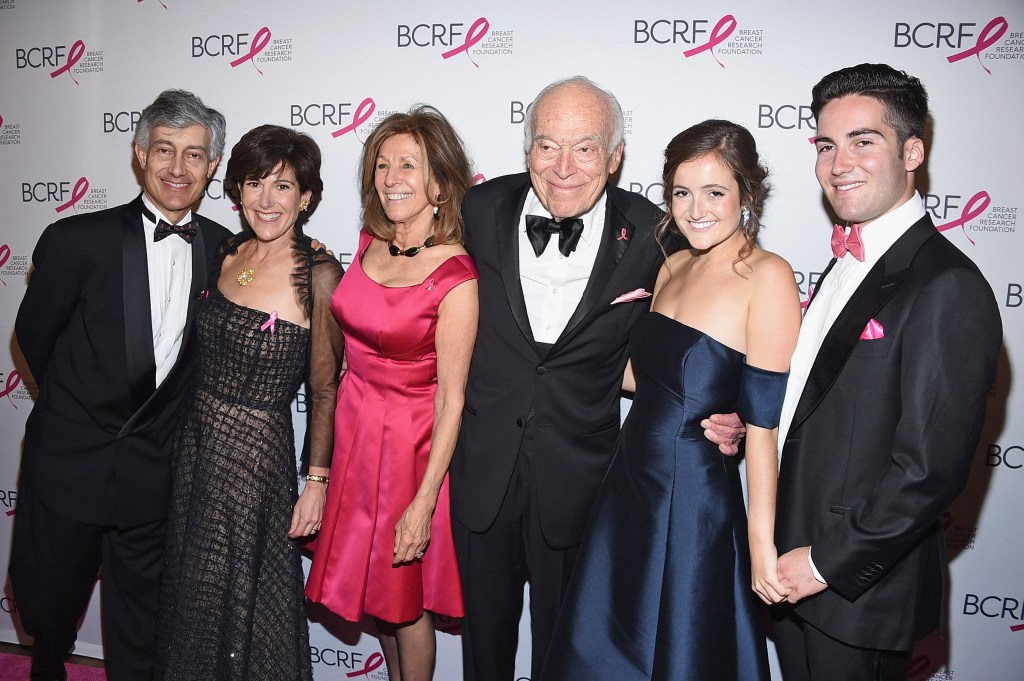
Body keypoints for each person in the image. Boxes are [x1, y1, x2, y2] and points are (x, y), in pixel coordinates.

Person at [450, 76, 745, 681]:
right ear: (527, 149)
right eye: (546, 145)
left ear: (614, 158)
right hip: (484, 468)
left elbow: (709, 320)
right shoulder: (480, 208)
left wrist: (729, 404)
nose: (562, 167)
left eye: (584, 148)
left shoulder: (657, 231)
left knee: (570, 651)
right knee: (483, 650)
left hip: (583, 476)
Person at [542, 120, 801, 680]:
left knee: (681, 645)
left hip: (694, 494)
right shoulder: (673, 264)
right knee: (608, 641)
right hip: (629, 478)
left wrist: (761, 543)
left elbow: (762, 426)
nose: (695, 209)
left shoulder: (769, 277)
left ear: (747, 194)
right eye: (681, 192)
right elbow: (642, 377)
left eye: (715, 192)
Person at [773, 63, 1002, 681]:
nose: (838, 162)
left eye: (862, 140)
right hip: (791, 572)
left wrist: (823, 565)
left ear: (913, 150)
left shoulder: (948, 286)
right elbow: (826, 404)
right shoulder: (848, 261)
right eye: (826, 144)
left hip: (855, 594)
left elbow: (928, 472)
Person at [10, 89, 230, 681]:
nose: (177, 169)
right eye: (164, 150)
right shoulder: (76, 240)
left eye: (193, 154)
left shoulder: (224, 250)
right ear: (139, 154)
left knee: (144, 628)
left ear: (213, 166)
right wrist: (74, 413)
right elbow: (32, 340)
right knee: (50, 615)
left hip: (155, 470)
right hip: (71, 460)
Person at [153, 124, 343, 681]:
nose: (266, 200)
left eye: (282, 187)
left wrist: (316, 481)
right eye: (255, 183)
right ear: (236, 190)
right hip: (196, 451)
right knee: (193, 592)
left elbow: (326, 388)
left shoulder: (320, 275)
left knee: (247, 602)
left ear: (305, 197)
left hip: (256, 464)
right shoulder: (227, 251)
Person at [305, 105, 478, 681]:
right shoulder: (367, 243)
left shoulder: (455, 275)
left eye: (409, 164)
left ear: (439, 181)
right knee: (377, 591)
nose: (392, 177)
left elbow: (452, 399)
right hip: (355, 432)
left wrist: (425, 502)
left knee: (405, 601)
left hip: (411, 448)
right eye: (382, 164)